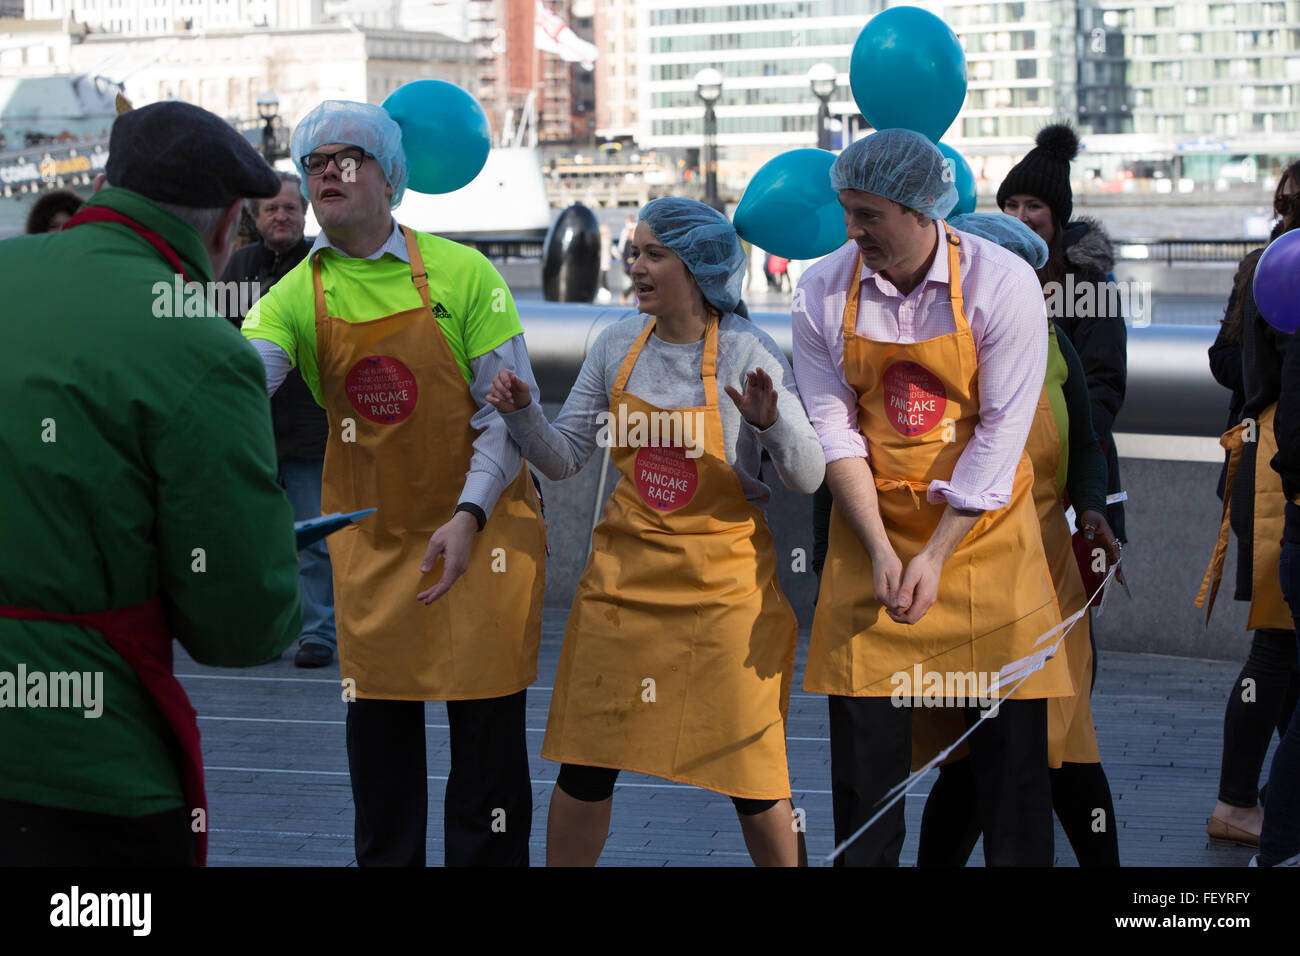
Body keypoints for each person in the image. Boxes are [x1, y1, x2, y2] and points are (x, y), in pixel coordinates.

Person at [240, 100, 547, 867]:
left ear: (392, 176)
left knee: (489, 774)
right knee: (382, 775)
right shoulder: (293, 297)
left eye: (347, 159)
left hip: (485, 543)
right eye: (314, 163)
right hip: (375, 552)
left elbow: (507, 415)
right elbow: (240, 385)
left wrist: (472, 514)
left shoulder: (466, 275)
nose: (326, 174)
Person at [0, 101, 301, 866]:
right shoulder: (204, 351)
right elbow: (242, 623)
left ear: (106, 181)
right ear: (228, 224)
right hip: (83, 767)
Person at [487, 197, 824, 866]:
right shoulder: (616, 343)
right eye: (632, 252)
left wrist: (769, 421)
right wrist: (525, 416)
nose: (634, 266)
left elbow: (809, 475)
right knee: (586, 762)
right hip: (622, 592)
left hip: (722, 598)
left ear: (696, 267)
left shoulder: (745, 352)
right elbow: (566, 459)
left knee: (753, 777)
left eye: (651, 254)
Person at [793, 129, 1073, 867]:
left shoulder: (1001, 282)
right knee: (864, 781)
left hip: (983, 541)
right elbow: (835, 430)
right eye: (847, 213)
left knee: (1012, 778)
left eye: (870, 215)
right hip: (870, 534)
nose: (854, 232)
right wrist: (884, 551)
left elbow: (1003, 430)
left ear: (924, 210)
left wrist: (938, 553)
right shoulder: (821, 288)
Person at [901, 212, 1123, 867]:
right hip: (967, 572)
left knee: (1061, 736)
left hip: (1047, 575)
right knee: (982, 748)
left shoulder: (1054, 343)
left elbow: (1084, 440)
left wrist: (1091, 508)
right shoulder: (926, 347)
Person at [1199, 160, 1300, 848]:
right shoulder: (1275, 265)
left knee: (1282, 649)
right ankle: (1240, 801)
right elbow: (1229, 357)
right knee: (1274, 648)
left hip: (1267, 460)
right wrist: (1272, 384)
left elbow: (1226, 357)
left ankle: (1263, 799)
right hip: (1278, 474)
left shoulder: (1265, 262)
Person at [220, 173, 335, 668]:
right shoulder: (238, 266)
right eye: (271, 209)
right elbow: (216, 339)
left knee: (315, 542)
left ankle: (319, 634)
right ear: (257, 217)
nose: (281, 216)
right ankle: (264, 631)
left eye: (290, 207)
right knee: (255, 540)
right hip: (252, 432)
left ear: (305, 212)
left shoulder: (323, 264)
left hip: (310, 430)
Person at [998, 123, 1128, 546]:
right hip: (1003, 469)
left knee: (1073, 594)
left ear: (1056, 215)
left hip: (1074, 472)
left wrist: (1064, 450)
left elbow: (1104, 383)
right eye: (1011, 204)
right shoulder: (990, 278)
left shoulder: (1091, 285)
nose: (1021, 216)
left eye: (1033, 205)